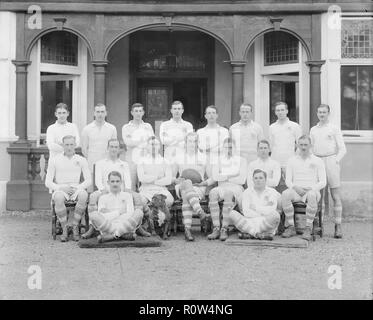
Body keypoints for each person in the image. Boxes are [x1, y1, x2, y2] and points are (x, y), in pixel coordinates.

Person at [310, 104, 347, 238]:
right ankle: (319, 225)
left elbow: (342, 148)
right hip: (318, 161)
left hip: (331, 160)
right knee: (319, 195)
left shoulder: (334, 128)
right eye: (319, 112)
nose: (321, 114)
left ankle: (338, 226)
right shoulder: (313, 129)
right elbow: (310, 147)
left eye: (324, 112)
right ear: (317, 113)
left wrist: (335, 161)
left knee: (335, 195)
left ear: (328, 113)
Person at [45, 135, 91, 242]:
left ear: (75, 145)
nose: (69, 147)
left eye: (71, 144)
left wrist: (78, 187)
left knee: (84, 195)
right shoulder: (55, 160)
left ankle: (75, 226)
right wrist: (60, 188)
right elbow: (47, 182)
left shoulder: (81, 159)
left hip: (76, 187)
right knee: (59, 198)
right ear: (63, 145)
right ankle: (64, 228)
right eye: (66, 144)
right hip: (61, 187)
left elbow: (88, 180)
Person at [281, 135, 326, 241]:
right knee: (285, 194)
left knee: (311, 195)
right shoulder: (292, 160)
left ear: (310, 145)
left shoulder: (318, 160)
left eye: (306, 144)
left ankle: (308, 228)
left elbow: (323, 181)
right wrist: (295, 187)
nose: (303, 147)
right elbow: (288, 180)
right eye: (301, 144)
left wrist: (312, 188)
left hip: (312, 191)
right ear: (297, 145)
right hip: (296, 190)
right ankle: (291, 226)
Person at [173, 132, 214, 241]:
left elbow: (212, 178)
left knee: (187, 196)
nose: (192, 143)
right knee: (187, 183)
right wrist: (178, 180)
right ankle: (201, 213)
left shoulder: (204, 157)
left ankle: (187, 230)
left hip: (198, 187)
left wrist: (203, 183)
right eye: (189, 141)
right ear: (185, 143)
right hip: (181, 186)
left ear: (198, 143)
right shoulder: (179, 157)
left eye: (194, 141)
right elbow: (173, 178)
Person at [207, 137, 247, 241]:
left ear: (235, 148)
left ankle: (224, 228)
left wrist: (223, 175)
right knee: (212, 193)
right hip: (221, 186)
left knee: (229, 193)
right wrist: (232, 175)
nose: (228, 149)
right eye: (226, 147)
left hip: (236, 188)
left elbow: (241, 179)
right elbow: (215, 177)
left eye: (231, 147)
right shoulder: (219, 160)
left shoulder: (241, 160)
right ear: (223, 148)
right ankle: (216, 227)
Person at [89, 171, 144, 243]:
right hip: (108, 227)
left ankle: (114, 236)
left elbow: (130, 214)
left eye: (117, 181)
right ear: (108, 182)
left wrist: (109, 213)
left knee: (139, 212)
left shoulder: (127, 196)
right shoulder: (103, 197)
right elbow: (102, 216)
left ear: (121, 182)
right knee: (93, 215)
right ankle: (121, 235)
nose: (115, 184)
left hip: (125, 226)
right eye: (112, 181)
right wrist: (118, 213)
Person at [230, 169, 281, 240]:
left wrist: (255, 208)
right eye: (256, 178)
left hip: (265, 222)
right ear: (253, 180)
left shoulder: (272, 192)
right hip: (249, 222)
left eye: (261, 178)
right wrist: (263, 211)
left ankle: (251, 234)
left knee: (276, 215)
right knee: (232, 213)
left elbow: (271, 210)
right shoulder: (247, 192)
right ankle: (258, 234)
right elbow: (246, 212)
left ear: (265, 179)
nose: (258, 180)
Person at [122, 103, 154, 190]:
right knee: (131, 183)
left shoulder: (148, 126)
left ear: (143, 112)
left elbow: (151, 143)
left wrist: (136, 141)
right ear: (132, 112)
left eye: (140, 111)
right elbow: (128, 142)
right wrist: (143, 140)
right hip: (131, 159)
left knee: (145, 184)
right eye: (136, 111)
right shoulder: (126, 127)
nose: (138, 113)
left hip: (145, 158)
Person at [137, 136, 174, 208]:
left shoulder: (165, 161)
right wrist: (157, 177)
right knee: (140, 202)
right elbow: (142, 178)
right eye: (151, 144)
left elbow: (168, 180)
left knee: (169, 200)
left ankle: (155, 212)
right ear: (147, 146)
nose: (154, 147)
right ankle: (151, 214)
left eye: (156, 144)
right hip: (146, 190)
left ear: (159, 146)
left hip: (161, 190)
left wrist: (153, 182)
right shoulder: (141, 161)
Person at [269, 101, 302, 177]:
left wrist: (295, 158)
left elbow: (300, 144)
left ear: (287, 111)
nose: (280, 112)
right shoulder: (272, 127)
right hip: (275, 161)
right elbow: (271, 145)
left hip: (289, 161)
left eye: (282, 110)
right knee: (274, 185)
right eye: (278, 110)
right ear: (275, 112)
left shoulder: (295, 126)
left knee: (290, 185)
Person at [81, 103, 117, 171]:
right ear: (94, 113)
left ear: (106, 113)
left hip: (107, 164)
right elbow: (84, 149)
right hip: (92, 164)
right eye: (98, 112)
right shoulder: (87, 129)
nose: (100, 114)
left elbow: (114, 147)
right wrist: (91, 159)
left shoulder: (112, 128)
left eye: (102, 112)